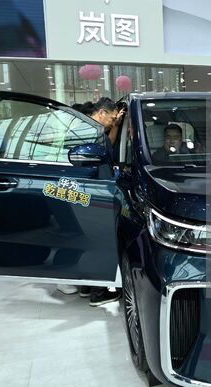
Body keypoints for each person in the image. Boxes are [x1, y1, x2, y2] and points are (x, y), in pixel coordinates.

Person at [68, 97, 124, 306]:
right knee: (101, 241)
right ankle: (98, 293)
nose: (111, 122)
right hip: (91, 192)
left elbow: (107, 146)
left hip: (85, 192)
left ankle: (87, 286)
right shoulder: (87, 132)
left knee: (90, 240)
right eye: (111, 118)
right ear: (101, 113)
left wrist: (116, 126)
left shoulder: (90, 129)